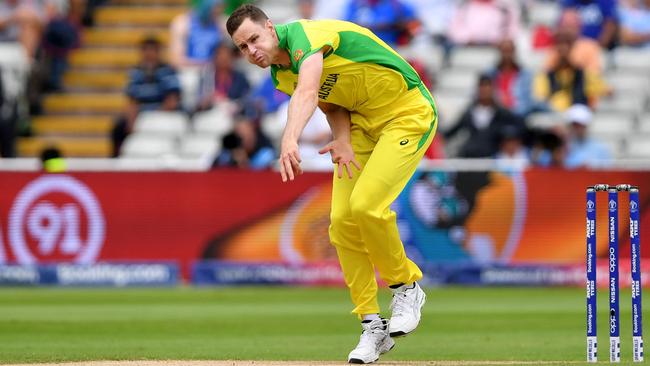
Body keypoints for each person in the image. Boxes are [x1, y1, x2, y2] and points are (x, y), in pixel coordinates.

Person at [226, 5, 436, 363]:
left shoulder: (306, 37)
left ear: (271, 28)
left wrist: (289, 138)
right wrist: (341, 138)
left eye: (254, 39)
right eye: (242, 48)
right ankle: (372, 326)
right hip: (361, 131)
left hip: (406, 115)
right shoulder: (280, 75)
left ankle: (406, 287)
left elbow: (308, 91)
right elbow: (330, 101)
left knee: (367, 207)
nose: (251, 52)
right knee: (340, 223)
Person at [111, 37, 181, 156]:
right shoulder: (136, 72)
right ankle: (116, 160)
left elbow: (172, 99)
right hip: (141, 114)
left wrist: (153, 117)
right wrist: (131, 121)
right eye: (145, 50)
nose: (149, 54)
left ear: (158, 52)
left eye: (152, 50)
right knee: (118, 128)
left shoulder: (167, 71)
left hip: (161, 113)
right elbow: (132, 100)